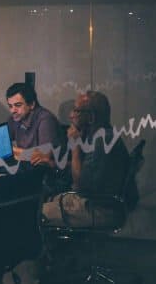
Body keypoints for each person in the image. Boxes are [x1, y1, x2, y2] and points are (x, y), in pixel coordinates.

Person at [42, 90, 130, 227]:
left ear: (91, 117)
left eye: (76, 111)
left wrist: (75, 145)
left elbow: (80, 186)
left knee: (37, 212)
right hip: (97, 202)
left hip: (100, 209)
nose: (71, 115)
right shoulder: (100, 135)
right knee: (44, 199)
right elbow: (86, 169)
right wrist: (54, 164)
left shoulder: (102, 141)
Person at [5, 82, 63, 168]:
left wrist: (10, 149)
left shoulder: (45, 119)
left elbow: (43, 157)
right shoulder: (16, 117)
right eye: (10, 106)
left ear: (31, 104)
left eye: (18, 105)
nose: (13, 110)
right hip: (27, 166)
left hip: (46, 171)